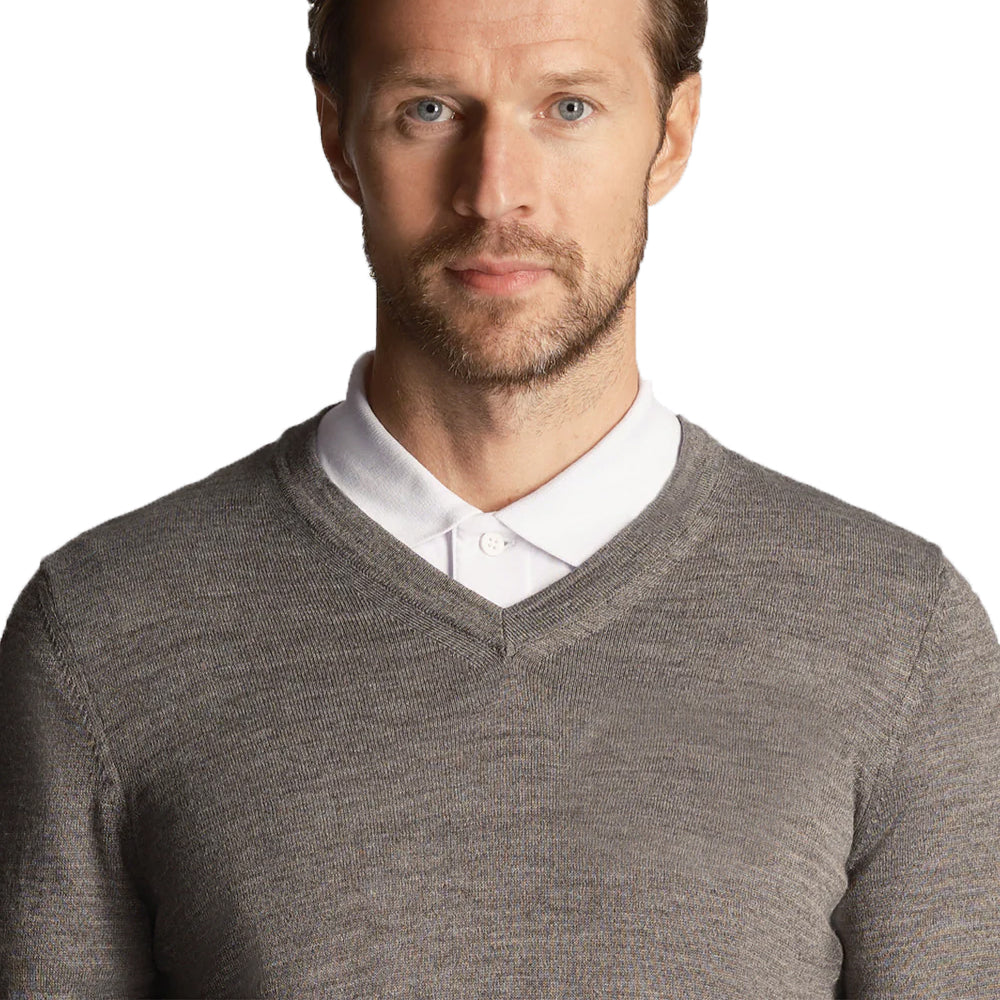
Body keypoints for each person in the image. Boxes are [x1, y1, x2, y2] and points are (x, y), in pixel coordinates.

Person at [1, 0, 997, 993]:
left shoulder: (897, 636)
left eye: (567, 108)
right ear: (337, 136)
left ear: (672, 132)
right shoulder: (101, 632)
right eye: (428, 110)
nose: (494, 193)